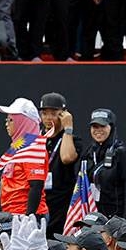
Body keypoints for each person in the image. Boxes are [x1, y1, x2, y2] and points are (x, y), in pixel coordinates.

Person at [0, 97, 48, 216]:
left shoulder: (33, 148)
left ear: (23, 122)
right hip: (13, 213)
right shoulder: (18, 146)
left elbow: (36, 186)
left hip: (26, 216)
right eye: (6, 120)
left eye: (10, 120)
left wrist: (28, 218)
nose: (6, 124)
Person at [40, 93, 81, 235]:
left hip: (61, 205)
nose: (48, 118)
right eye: (44, 113)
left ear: (63, 114)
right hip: (39, 202)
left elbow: (67, 157)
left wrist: (67, 128)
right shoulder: (36, 138)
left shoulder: (72, 139)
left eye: (53, 113)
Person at [84, 108, 126, 218]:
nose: (98, 130)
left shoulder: (120, 153)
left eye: (102, 126)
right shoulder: (89, 152)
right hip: (92, 214)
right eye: (95, 127)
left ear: (111, 127)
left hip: (115, 217)